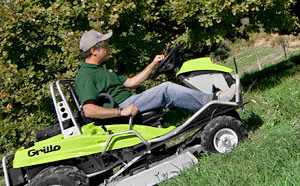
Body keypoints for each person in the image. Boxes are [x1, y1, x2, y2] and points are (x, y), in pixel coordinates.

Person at [75, 29, 236, 120]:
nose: (108, 48)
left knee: (165, 89)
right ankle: (215, 100)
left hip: (130, 100)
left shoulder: (102, 69)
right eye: (105, 45)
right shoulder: (85, 76)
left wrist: (153, 64)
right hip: (123, 106)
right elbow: (88, 110)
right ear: (93, 51)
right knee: (165, 89)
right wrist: (120, 112)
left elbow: (131, 83)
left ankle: (213, 100)